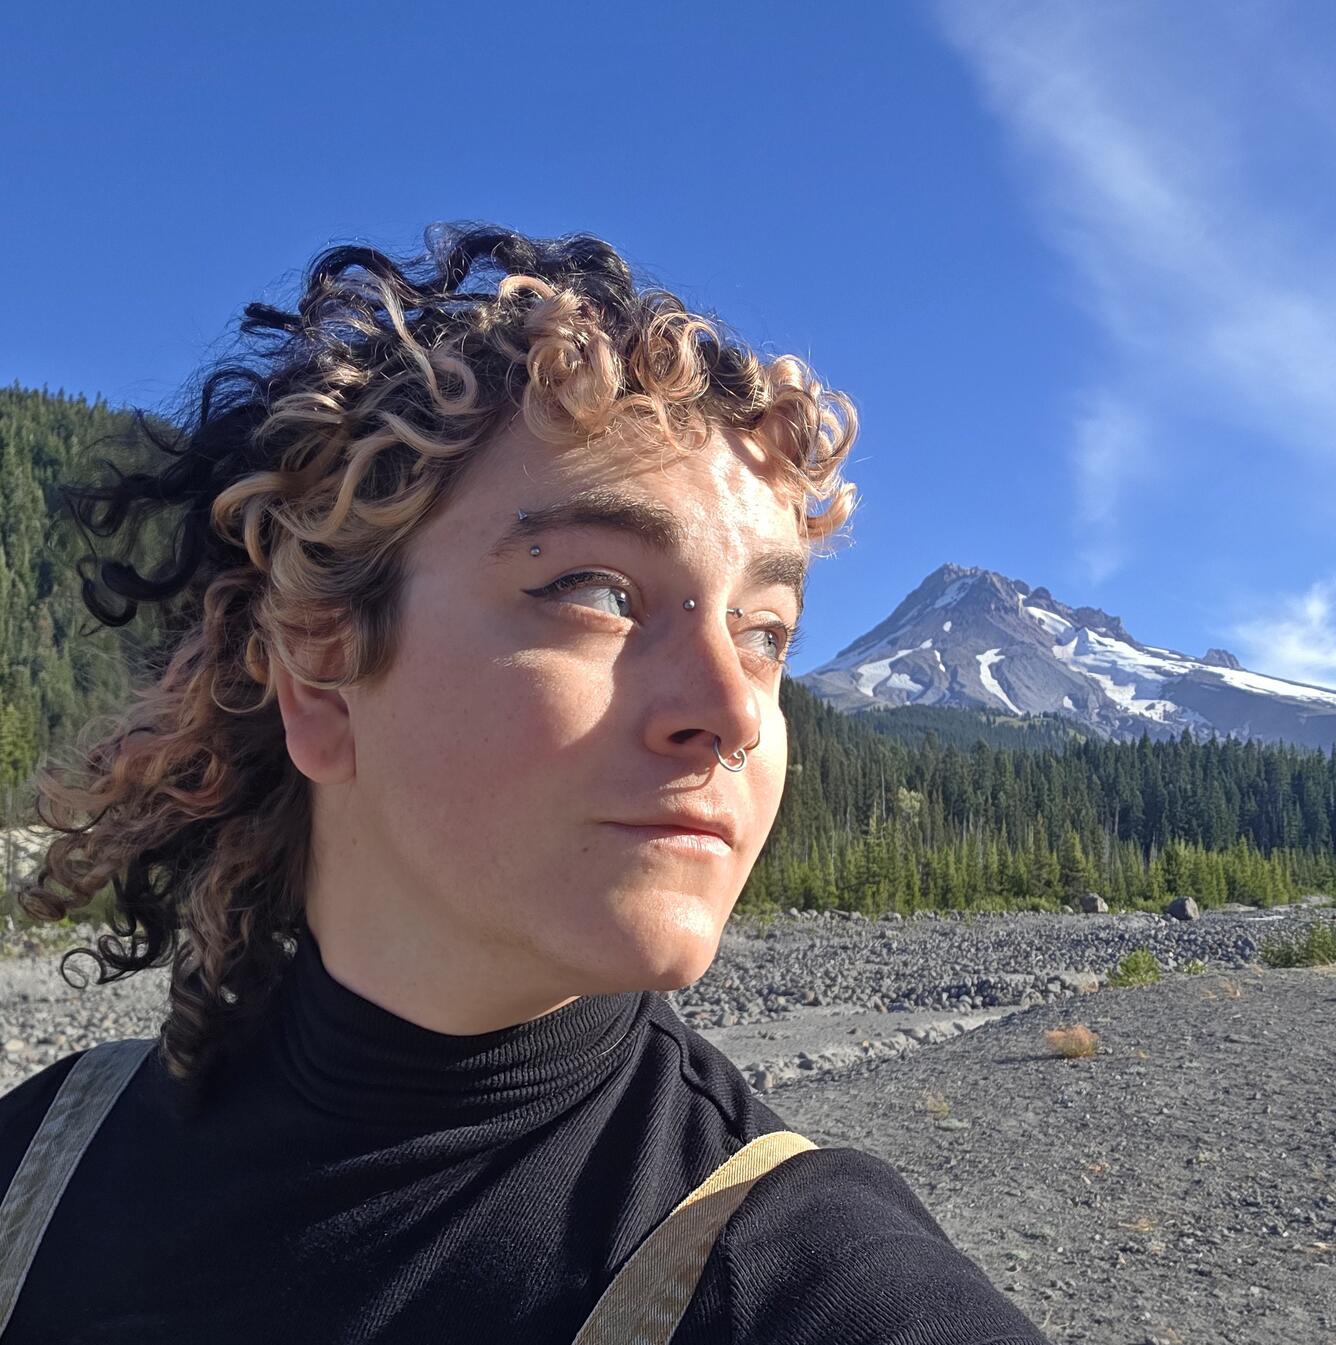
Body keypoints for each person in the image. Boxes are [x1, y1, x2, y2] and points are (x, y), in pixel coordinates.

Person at [0, 222, 1050, 1343]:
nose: (738, 710)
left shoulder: (803, 1281)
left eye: (766, 631)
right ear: (316, 669)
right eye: (596, 590)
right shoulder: (43, 1165)